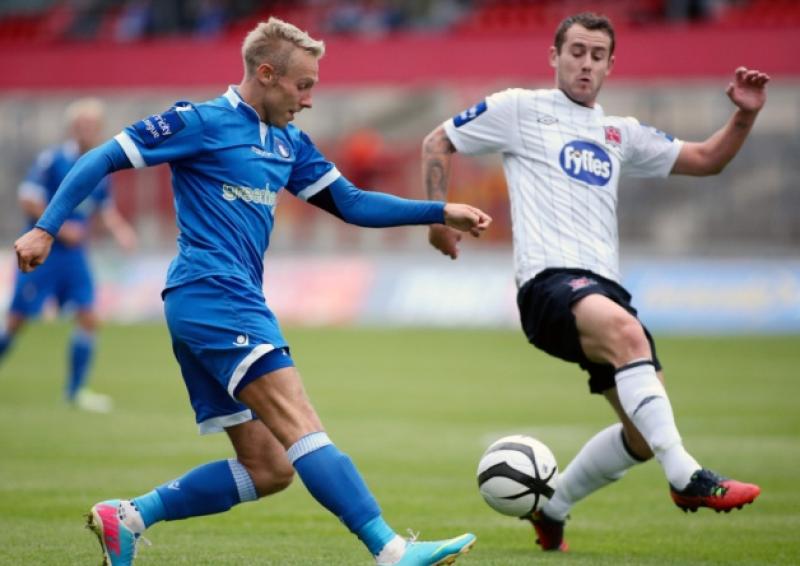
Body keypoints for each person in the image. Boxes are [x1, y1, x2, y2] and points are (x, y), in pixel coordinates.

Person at [14, 17, 487, 566]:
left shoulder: (288, 141)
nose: (310, 99)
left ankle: (130, 517)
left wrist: (438, 210)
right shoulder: (201, 121)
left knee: (269, 468)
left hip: (217, 303)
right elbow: (102, 157)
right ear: (266, 74)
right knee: (299, 420)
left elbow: (352, 203)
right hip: (213, 293)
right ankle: (391, 550)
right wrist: (46, 226)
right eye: (303, 85)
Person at [420, 11, 768, 552]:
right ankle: (687, 480)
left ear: (609, 65)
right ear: (554, 56)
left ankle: (553, 507)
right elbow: (437, 140)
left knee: (641, 436)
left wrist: (742, 118)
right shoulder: (519, 109)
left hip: (604, 289)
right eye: (576, 51)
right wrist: (438, 218)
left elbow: (706, 159)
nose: (585, 63)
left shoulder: (619, 133)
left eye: (596, 55)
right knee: (629, 337)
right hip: (548, 285)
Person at [0, 98, 137, 413]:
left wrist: (121, 231)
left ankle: (75, 392)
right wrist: (59, 230)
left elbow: (102, 210)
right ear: (72, 128)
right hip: (42, 256)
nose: (85, 130)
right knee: (16, 321)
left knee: (89, 317)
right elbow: (29, 199)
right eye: (81, 125)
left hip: (75, 258)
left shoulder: (102, 168)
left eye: (91, 125)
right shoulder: (52, 160)